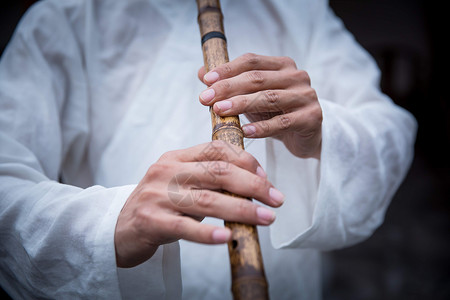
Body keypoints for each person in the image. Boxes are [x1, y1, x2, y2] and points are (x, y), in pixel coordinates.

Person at [0, 0, 417, 299]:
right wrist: (107, 226)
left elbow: (392, 129)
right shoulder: (67, 15)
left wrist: (325, 129)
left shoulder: (300, 9)